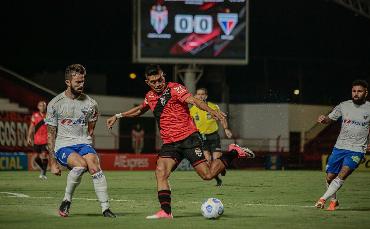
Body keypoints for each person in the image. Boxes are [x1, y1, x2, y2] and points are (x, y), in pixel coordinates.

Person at [106, 64, 254, 219]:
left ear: (163, 76)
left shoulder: (175, 89)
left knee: (208, 175)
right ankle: (166, 211)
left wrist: (213, 111)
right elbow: (139, 110)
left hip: (189, 138)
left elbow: (195, 101)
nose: (157, 84)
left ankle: (233, 152)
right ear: (147, 82)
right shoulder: (150, 96)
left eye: (159, 80)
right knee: (161, 172)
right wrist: (118, 116)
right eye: (153, 82)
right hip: (170, 143)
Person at [46, 64, 116, 217]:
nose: (81, 84)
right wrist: (52, 162)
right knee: (80, 165)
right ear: (67, 82)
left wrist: (87, 141)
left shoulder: (91, 104)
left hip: (83, 143)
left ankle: (106, 208)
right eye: (77, 82)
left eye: (83, 81)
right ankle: (66, 201)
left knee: (95, 166)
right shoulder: (55, 104)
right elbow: (51, 135)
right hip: (63, 145)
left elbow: (91, 127)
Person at [315, 79, 369, 211]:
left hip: (357, 149)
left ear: (366, 93)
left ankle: (322, 199)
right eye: (354, 91)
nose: (356, 94)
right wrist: (323, 119)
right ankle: (334, 200)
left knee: (342, 174)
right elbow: (330, 119)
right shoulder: (343, 105)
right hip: (340, 147)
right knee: (329, 177)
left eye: (359, 91)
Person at [190, 88, 246, 186]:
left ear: (206, 96)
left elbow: (222, 118)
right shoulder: (192, 110)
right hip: (201, 137)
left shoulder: (212, 107)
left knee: (217, 159)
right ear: (195, 96)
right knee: (208, 162)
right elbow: (190, 124)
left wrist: (226, 129)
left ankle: (222, 167)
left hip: (213, 136)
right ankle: (218, 180)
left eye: (202, 94)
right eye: (198, 94)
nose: (200, 96)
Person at [27, 100, 49, 180]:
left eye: (43, 106)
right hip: (37, 140)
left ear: (45, 107)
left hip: (46, 140)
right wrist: (29, 137)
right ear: (38, 107)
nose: (42, 107)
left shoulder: (48, 116)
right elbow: (31, 127)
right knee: (36, 158)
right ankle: (43, 169)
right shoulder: (35, 116)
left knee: (44, 155)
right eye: (40, 106)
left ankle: (44, 174)